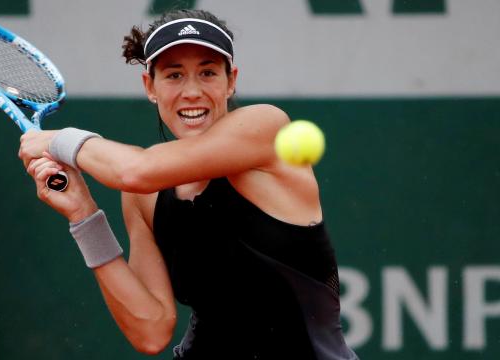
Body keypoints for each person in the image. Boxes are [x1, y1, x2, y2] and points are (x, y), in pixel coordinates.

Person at [18, 9, 357, 360]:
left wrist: (60, 140)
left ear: (231, 81)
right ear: (150, 86)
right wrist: (83, 215)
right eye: (174, 75)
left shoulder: (266, 127)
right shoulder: (144, 195)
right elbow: (150, 331)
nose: (192, 91)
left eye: (208, 72)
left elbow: (135, 169)